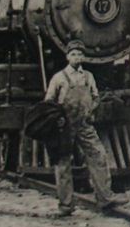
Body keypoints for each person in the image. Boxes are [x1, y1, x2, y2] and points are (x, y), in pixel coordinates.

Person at [45, 40, 125, 216]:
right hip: (64, 126)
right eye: (73, 54)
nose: (77, 57)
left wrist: (90, 111)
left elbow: (95, 97)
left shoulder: (88, 76)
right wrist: (57, 119)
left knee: (98, 155)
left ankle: (104, 198)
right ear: (68, 57)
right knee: (63, 163)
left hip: (84, 123)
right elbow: (49, 102)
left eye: (80, 54)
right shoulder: (59, 78)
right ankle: (65, 205)